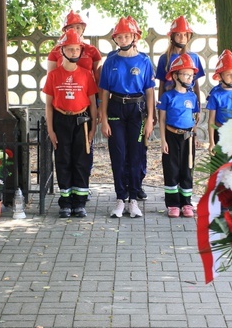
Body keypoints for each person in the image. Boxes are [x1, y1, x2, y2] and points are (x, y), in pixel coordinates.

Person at [99, 16, 155, 218]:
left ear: (134, 36)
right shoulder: (110, 61)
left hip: (137, 110)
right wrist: (103, 119)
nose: (123, 40)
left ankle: (133, 199)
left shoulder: (144, 61)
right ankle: (120, 199)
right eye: (119, 37)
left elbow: (149, 91)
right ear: (115, 39)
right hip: (116, 109)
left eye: (126, 36)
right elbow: (104, 92)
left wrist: (150, 119)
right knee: (119, 155)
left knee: (135, 155)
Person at [43, 29, 98, 218]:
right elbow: (49, 105)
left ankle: (79, 202)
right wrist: (51, 129)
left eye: (77, 49)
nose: (74, 52)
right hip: (60, 120)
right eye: (70, 49)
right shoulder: (53, 75)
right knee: (63, 160)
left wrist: (93, 128)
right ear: (62, 51)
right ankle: (65, 202)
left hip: (82, 121)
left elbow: (92, 103)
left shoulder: (86, 75)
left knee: (81, 161)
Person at [157, 53, 199, 218]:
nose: (189, 78)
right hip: (171, 136)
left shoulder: (193, 97)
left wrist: (193, 136)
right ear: (175, 76)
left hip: (187, 138)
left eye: (191, 75)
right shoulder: (167, 96)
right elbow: (161, 120)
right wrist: (163, 140)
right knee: (171, 169)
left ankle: (186, 203)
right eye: (186, 74)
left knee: (187, 170)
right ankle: (173, 204)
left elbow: (195, 118)